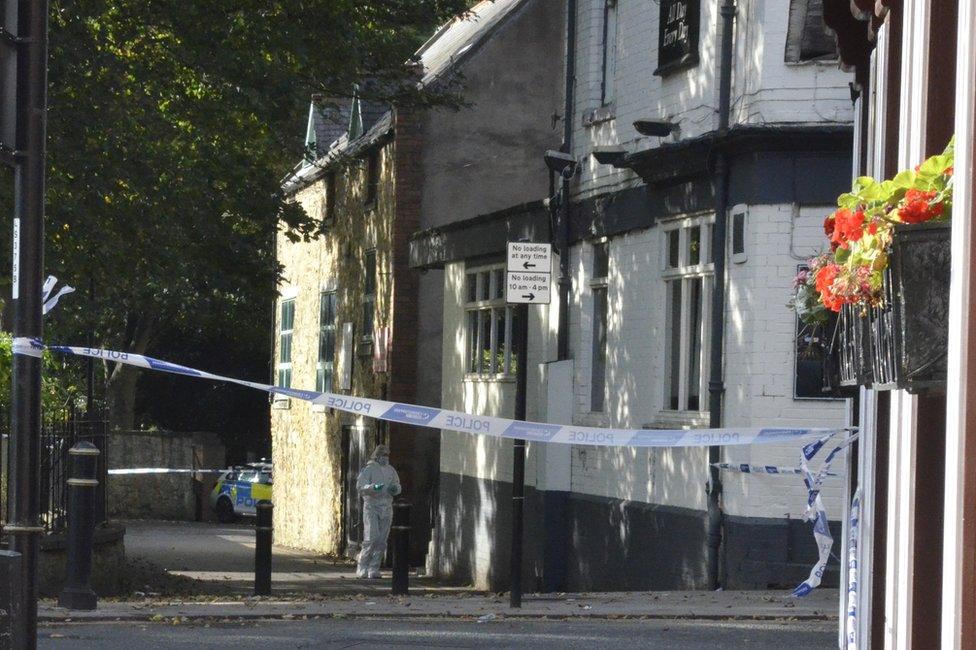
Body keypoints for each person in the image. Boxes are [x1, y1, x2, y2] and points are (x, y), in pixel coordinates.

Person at [355, 444, 401, 579]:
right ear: (377, 456)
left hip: (386, 506)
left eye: (387, 454)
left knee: (382, 540)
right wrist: (373, 488)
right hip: (372, 506)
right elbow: (360, 487)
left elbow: (397, 484)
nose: (385, 457)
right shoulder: (369, 470)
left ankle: (374, 568)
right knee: (371, 537)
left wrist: (396, 489)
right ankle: (362, 566)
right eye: (383, 455)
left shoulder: (391, 470)